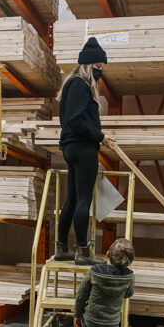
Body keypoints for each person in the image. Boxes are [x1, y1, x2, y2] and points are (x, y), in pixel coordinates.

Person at [54, 37, 116, 265]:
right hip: (82, 148)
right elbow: (77, 120)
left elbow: (72, 119)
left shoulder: (72, 83)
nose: (100, 72)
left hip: (71, 146)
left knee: (71, 199)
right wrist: (100, 136)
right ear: (89, 65)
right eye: (98, 67)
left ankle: (62, 248)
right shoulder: (80, 84)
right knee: (83, 200)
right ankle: (83, 251)